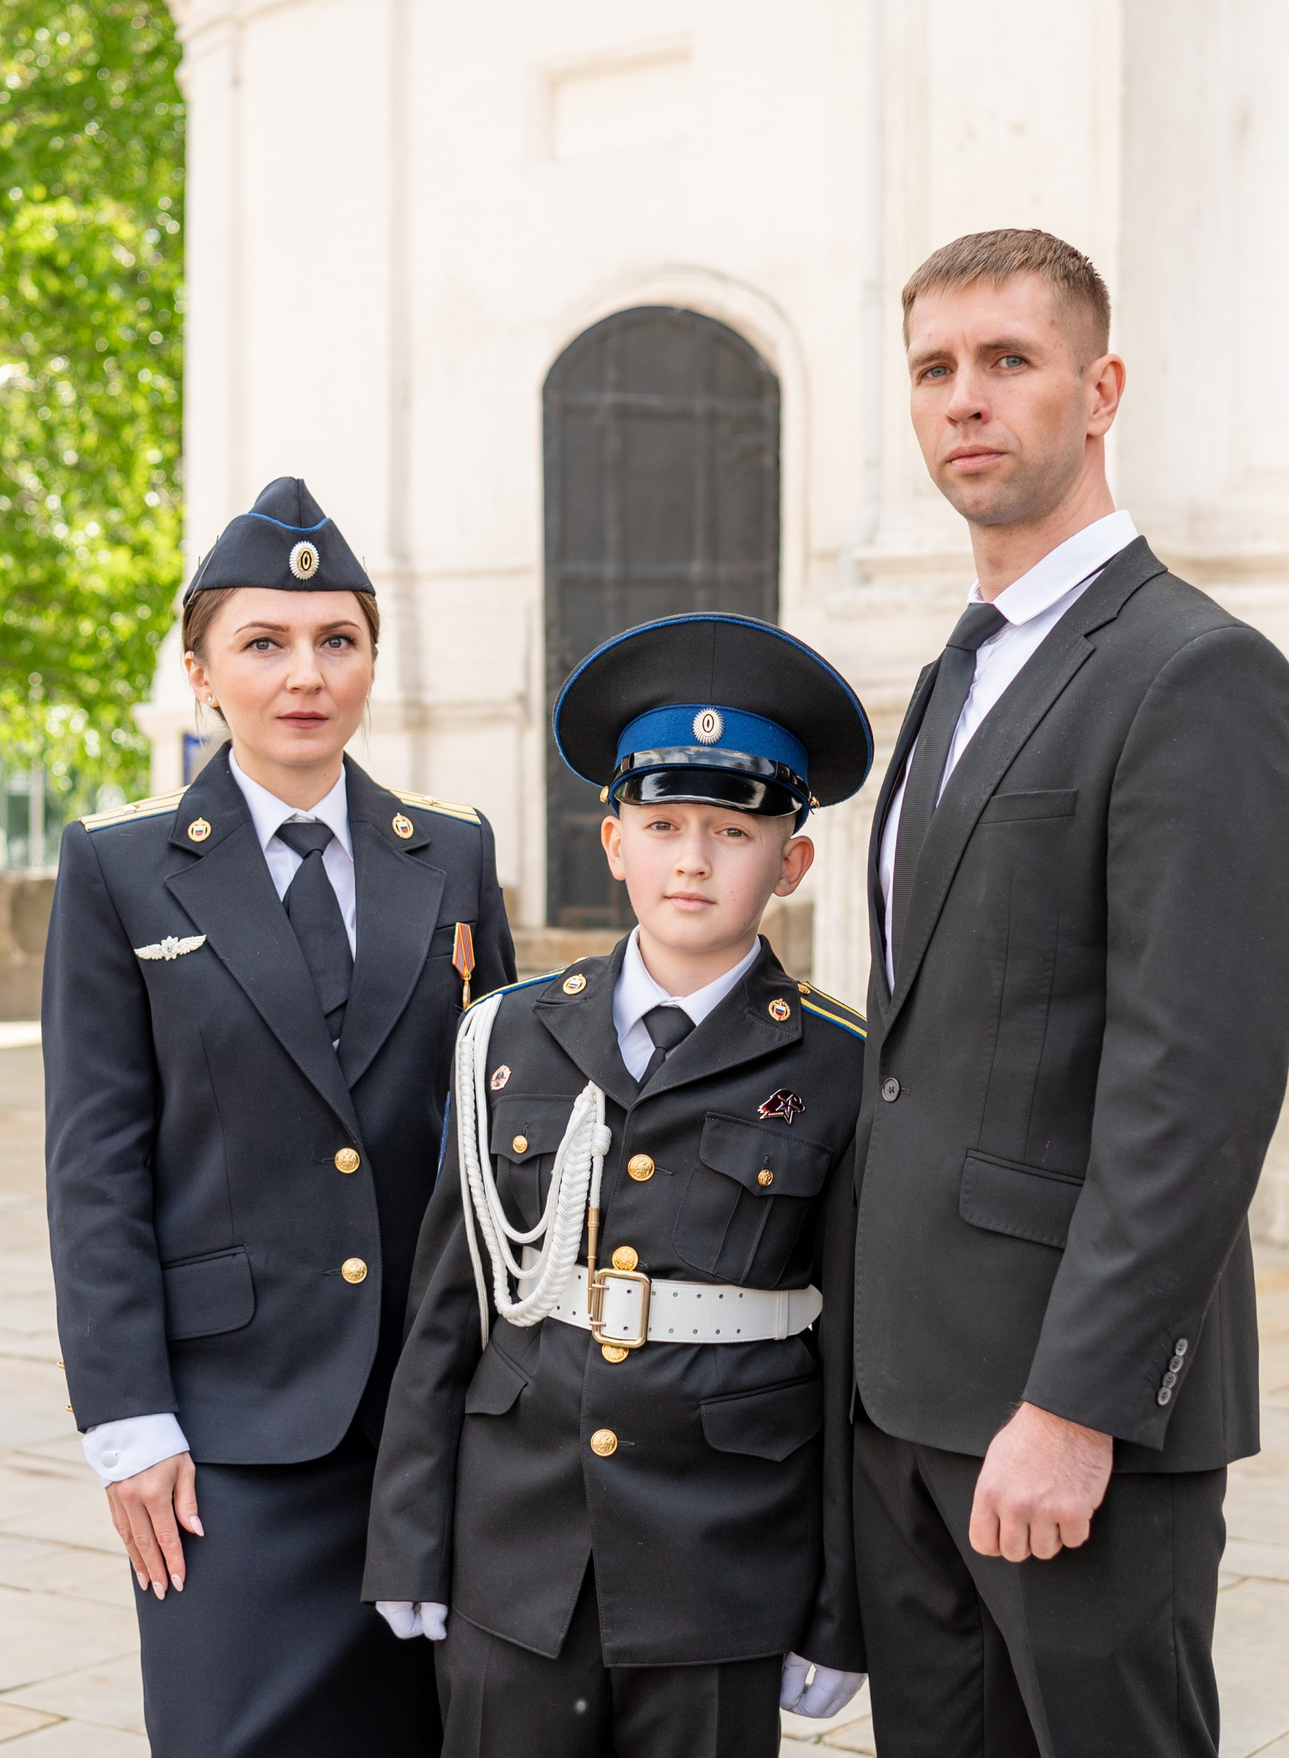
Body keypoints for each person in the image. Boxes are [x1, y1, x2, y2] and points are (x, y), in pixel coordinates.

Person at [849, 230, 1289, 1758]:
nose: (964, 399)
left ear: (1101, 388)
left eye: (1009, 360)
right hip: (912, 1402)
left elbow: (1196, 1085)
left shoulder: (1196, 673)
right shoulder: (957, 669)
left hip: (1069, 1418)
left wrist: (1078, 1403)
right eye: (935, 369)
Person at [43, 476, 515, 1758]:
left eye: (335, 641)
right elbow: (95, 1165)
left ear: (370, 662)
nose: (303, 674)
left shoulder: (453, 853)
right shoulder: (120, 866)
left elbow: (502, 1140)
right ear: (201, 671)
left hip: (432, 1424)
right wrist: (127, 1425)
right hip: (228, 1437)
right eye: (262, 643)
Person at [365, 614, 873, 1758]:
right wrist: (407, 1538)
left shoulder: (842, 1069)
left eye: (733, 830)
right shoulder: (507, 1037)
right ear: (613, 842)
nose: (692, 859)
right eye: (662, 826)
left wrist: (840, 1614)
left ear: (791, 861)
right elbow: (447, 1311)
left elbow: (853, 1366)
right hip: (516, 1555)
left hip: (719, 1569)